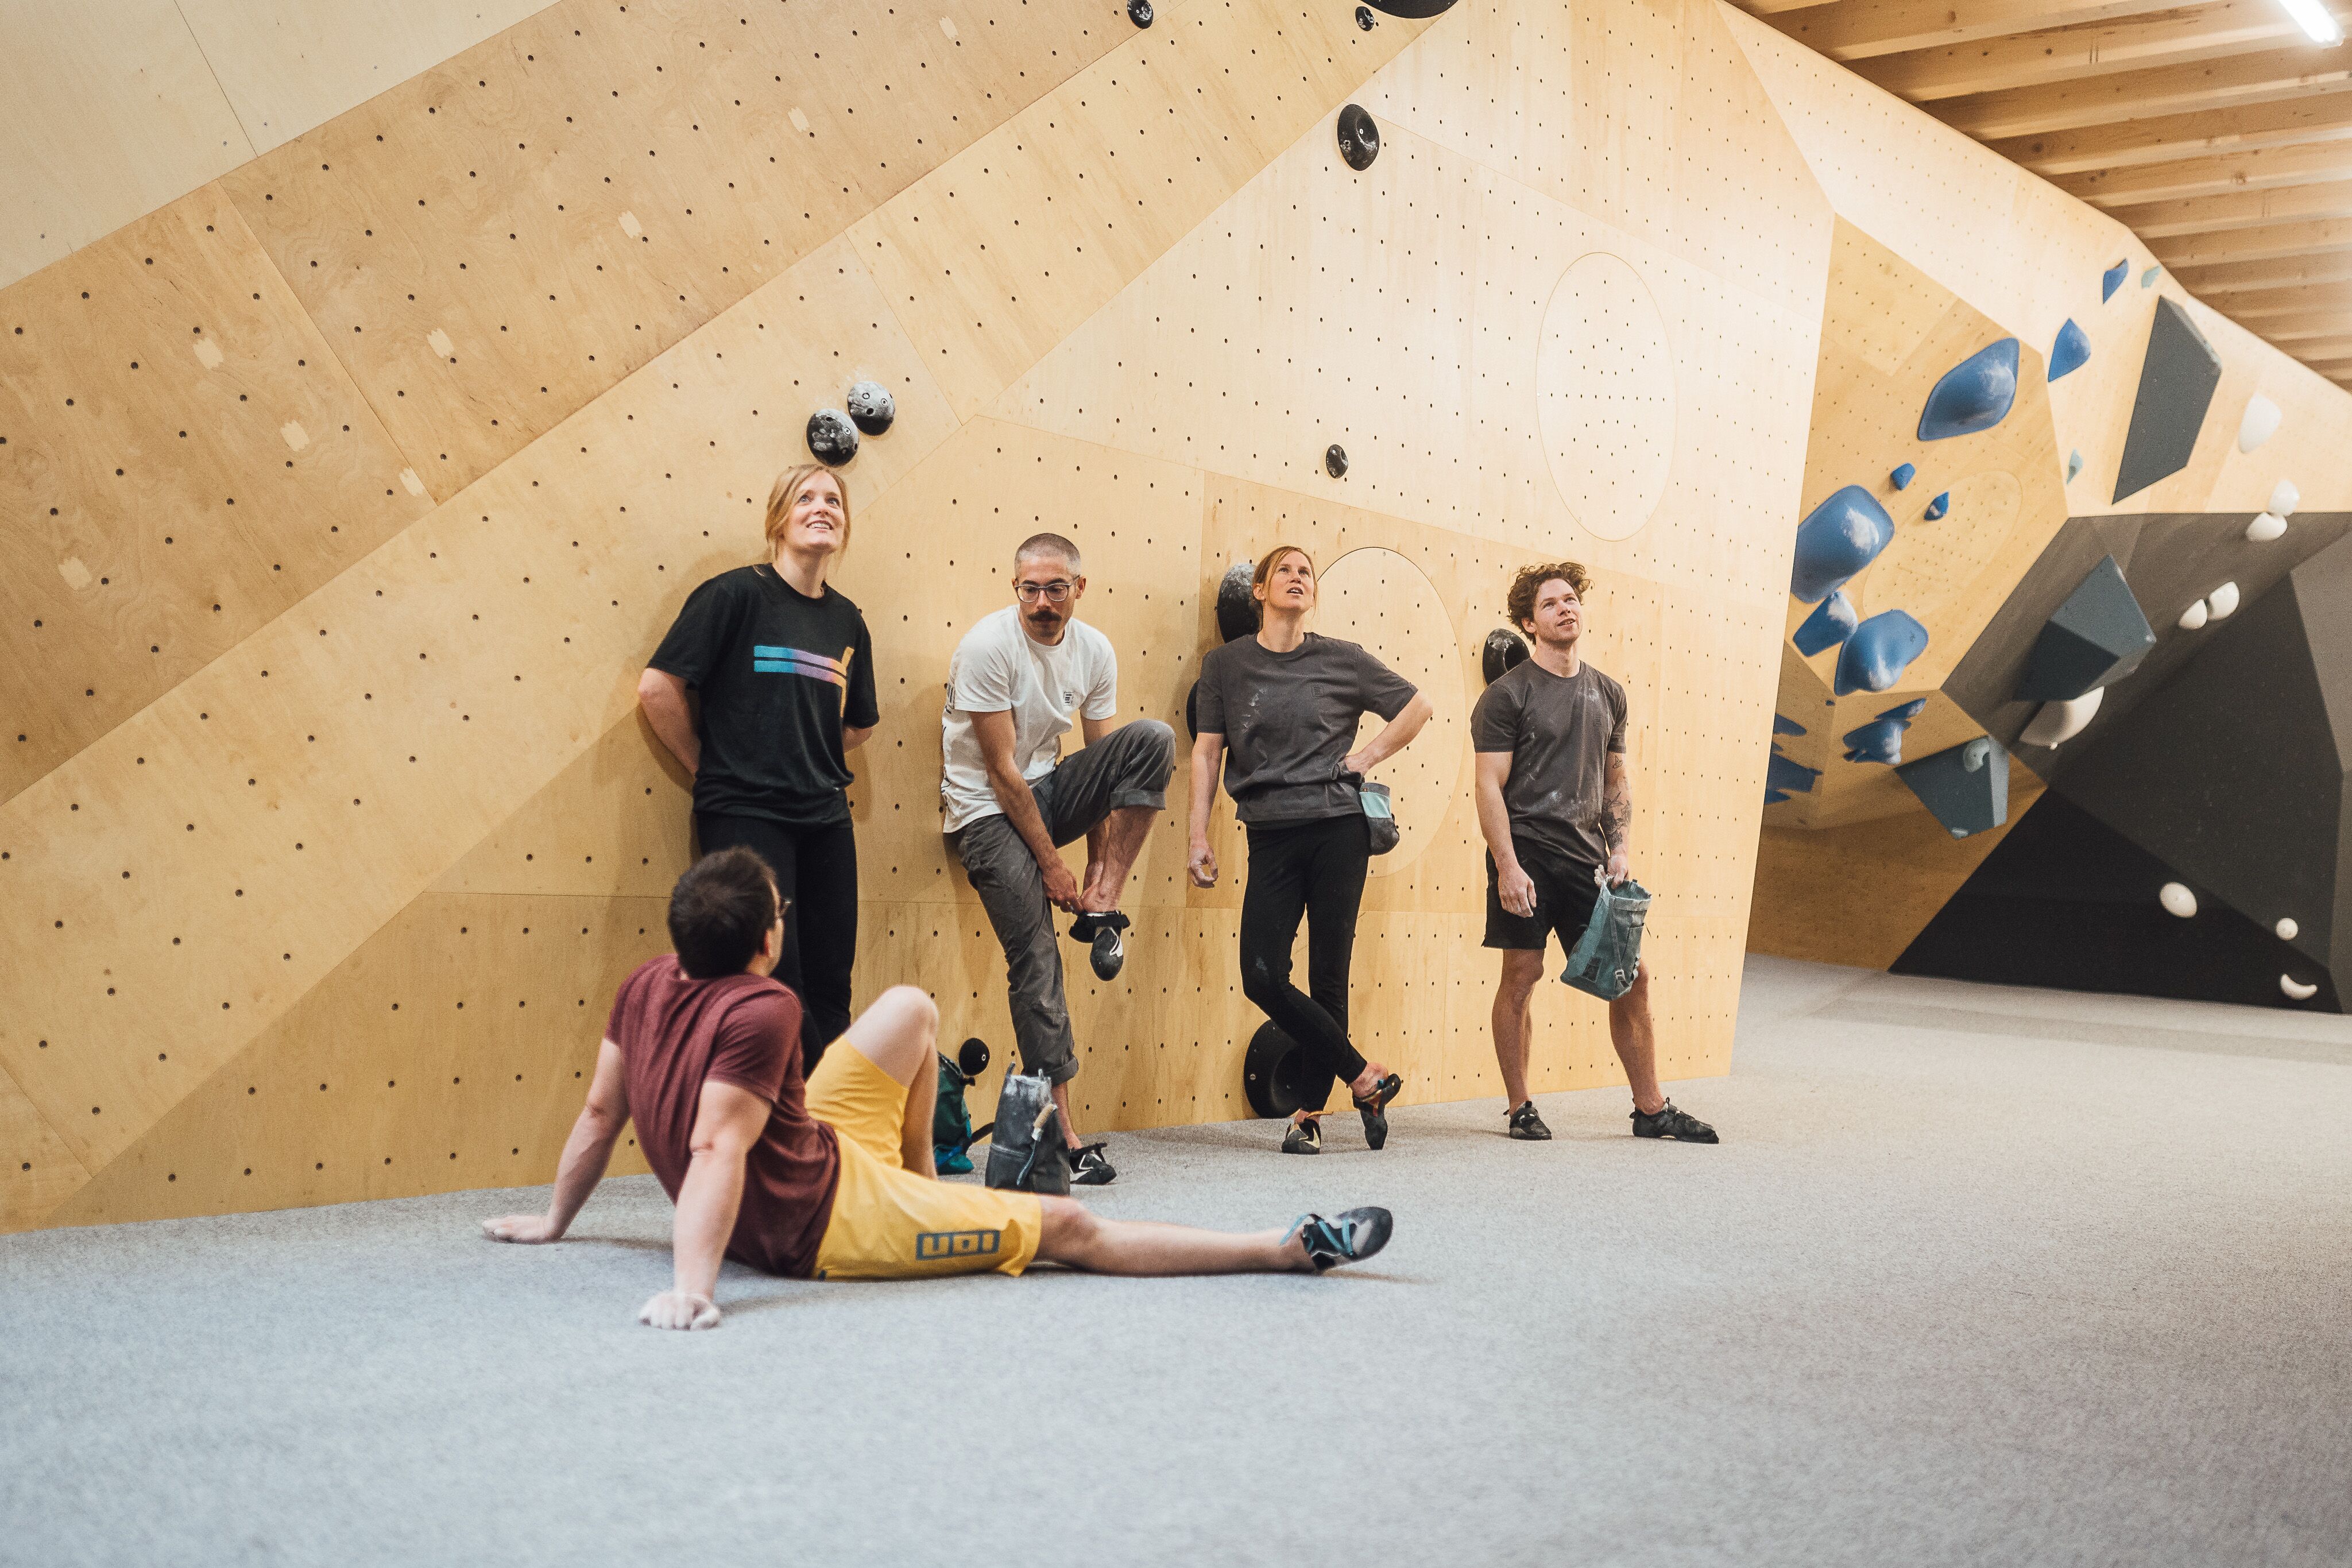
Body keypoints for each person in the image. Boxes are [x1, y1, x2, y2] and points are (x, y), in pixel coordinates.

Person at [481, 848, 1395, 1327]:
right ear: (766, 941)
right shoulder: (763, 1007)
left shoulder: (648, 978)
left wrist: (556, 1218)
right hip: (823, 1218)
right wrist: (692, 1289)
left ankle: (922, 1178)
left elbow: (600, 1110)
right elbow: (718, 1146)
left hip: (816, 1145)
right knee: (1071, 1227)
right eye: (781, 913)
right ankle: (1284, 1247)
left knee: (911, 1007)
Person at [939, 533, 1175, 1187]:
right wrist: (1051, 864)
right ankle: (1063, 1133)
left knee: (1152, 740)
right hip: (984, 812)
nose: (1042, 601)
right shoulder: (987, 647)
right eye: (1030, 589)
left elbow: (1105, 774)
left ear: (1079, 588)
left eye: (1055, 588)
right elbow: (1001, 774)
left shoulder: (1094, 649)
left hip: (1046, 790)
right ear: (1014, 588)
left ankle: (1105, 901)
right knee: (1038, 960)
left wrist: (1097, 874)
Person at [1187, 545, 1434, 1155]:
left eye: (1306, 573)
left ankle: (1308, 1118)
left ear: (1313, 593)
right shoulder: (1226, 665)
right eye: (1285, 570)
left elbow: (1418, 706)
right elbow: (1207, 752)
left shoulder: (1342, 658)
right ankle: (1364, 1078)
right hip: (1269, 832)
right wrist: (1197, 834)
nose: (1297, 578)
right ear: (1260, 590)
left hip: (1337, 828)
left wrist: (1365, 756)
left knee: (1329, 976)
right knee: (1261, 975)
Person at [637, 463, 877, 1073]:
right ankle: (795, 1116)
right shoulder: (734, 596)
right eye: (805, 498)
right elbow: (658, 689)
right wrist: (707, 766)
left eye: (834, 500)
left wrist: (805, 748)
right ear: (778, 519)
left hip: (826, 817)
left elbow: (860, 724)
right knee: (777, 981)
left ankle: (826, 1118)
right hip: (745, 814)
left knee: (831, 984)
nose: (822, 508)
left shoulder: (848, 619)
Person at [1472, 562, 1717, 1144]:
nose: (1565, 608)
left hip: (1587, 859)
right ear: (1528, 623)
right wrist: (1507, 865)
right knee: (1522, 974)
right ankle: (1520, 1106)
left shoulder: (1609, 693)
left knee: (1632, 977)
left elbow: (1615, 779)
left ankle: (1651, 1109)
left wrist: (1621, 848)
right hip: (1526, 854)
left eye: (1570, 599)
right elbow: (1487, 786)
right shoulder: (1506, 695)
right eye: (1550, 603)